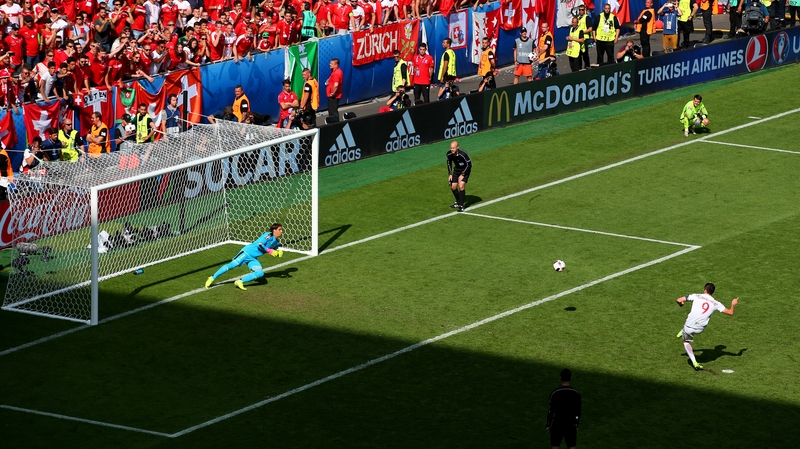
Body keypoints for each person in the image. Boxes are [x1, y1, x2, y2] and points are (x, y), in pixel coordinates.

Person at [676, 283, 739, 371]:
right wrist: (733, 304)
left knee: (686, 341)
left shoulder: (696, 296)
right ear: (712, 292)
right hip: (700, 329)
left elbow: (679, 300)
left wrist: (681, 304)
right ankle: (683, 331)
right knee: (703, 318)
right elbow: (730, 313)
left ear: (704, 290)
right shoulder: (716, 303)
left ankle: (694, 362)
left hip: (688, 326)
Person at [205, 222, 285, 291]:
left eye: (281, 230)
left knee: (260, 273)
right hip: (246, 253)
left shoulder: (276, 242)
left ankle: (239, 282)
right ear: (274, 230)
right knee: (231, 265)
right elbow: (260, 244)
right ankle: (212, 277)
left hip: (253, 258)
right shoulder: (268, 235)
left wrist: (278, 252)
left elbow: (273, 250)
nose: (281, 231)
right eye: (279, 229)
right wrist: (269, 251)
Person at [546, 368, 581, 449]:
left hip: (557, 423)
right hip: (570, 424)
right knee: (571, 446)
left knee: (555, 446)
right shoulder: (575, 394)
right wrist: (576, 424)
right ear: (571, 378)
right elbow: (578, 412)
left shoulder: (555, 393)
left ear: (560, 378)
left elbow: (551, 410)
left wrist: (548, 424)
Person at [446, 140, 470, 212]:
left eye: (453, 148)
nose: (452, 149)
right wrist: (450, 174)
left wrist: (463, 174)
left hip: (465, 170)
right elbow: (449, 164)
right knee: (453, 187)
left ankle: (461, 206)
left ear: (457, 147)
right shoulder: (449, 154)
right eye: (451, 148)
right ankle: (458, 201)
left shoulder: (463, 154)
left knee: (461, 185)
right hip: (457, 170)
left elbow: (469, 164)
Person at [326, 58, 343, 122]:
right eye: (330, 63)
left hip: (334, 96)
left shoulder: (336, 73)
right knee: (332, 110)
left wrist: (333, 93)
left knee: (333, 111)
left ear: (336, 65)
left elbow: (336, 85)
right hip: (333, 95)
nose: (330, 64)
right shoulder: (335, 72)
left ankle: (334, 124)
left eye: (332, 64)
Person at [576, 4, 593, 70]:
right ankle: (580, 67)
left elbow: (590, 28)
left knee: (585, 54)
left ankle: (587, 66)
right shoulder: (577, 18)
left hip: (585, 38)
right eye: (580, 10)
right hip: (578, 39)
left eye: (582, 10)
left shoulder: (587, 18)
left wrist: (582, 32)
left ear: (585, 10)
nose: (581, 11)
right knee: (579, 54)